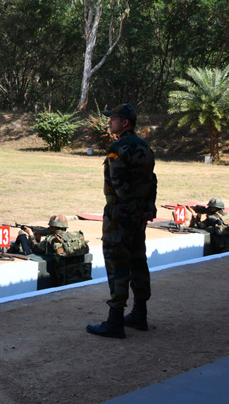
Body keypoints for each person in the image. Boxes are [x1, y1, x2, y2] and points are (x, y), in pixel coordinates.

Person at [87, 103, 157, 339]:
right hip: (138, 216)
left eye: (113, 119)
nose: (109, 122)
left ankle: (115, 319)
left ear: (124, 122)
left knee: (117, 262)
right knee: (138, 260)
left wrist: (131, 209)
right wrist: (146, 208)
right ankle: (139, 313)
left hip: (120, 214)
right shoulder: (145, 147)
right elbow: (152, 181)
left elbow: (118, 183)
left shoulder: (119, 147)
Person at [23, 214, 91, 286]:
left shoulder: (52, 240)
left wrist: (31, 235)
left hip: (63, 279)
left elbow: (35, 248)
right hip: (81, 275)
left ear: (52, 228)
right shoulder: (75, 237)